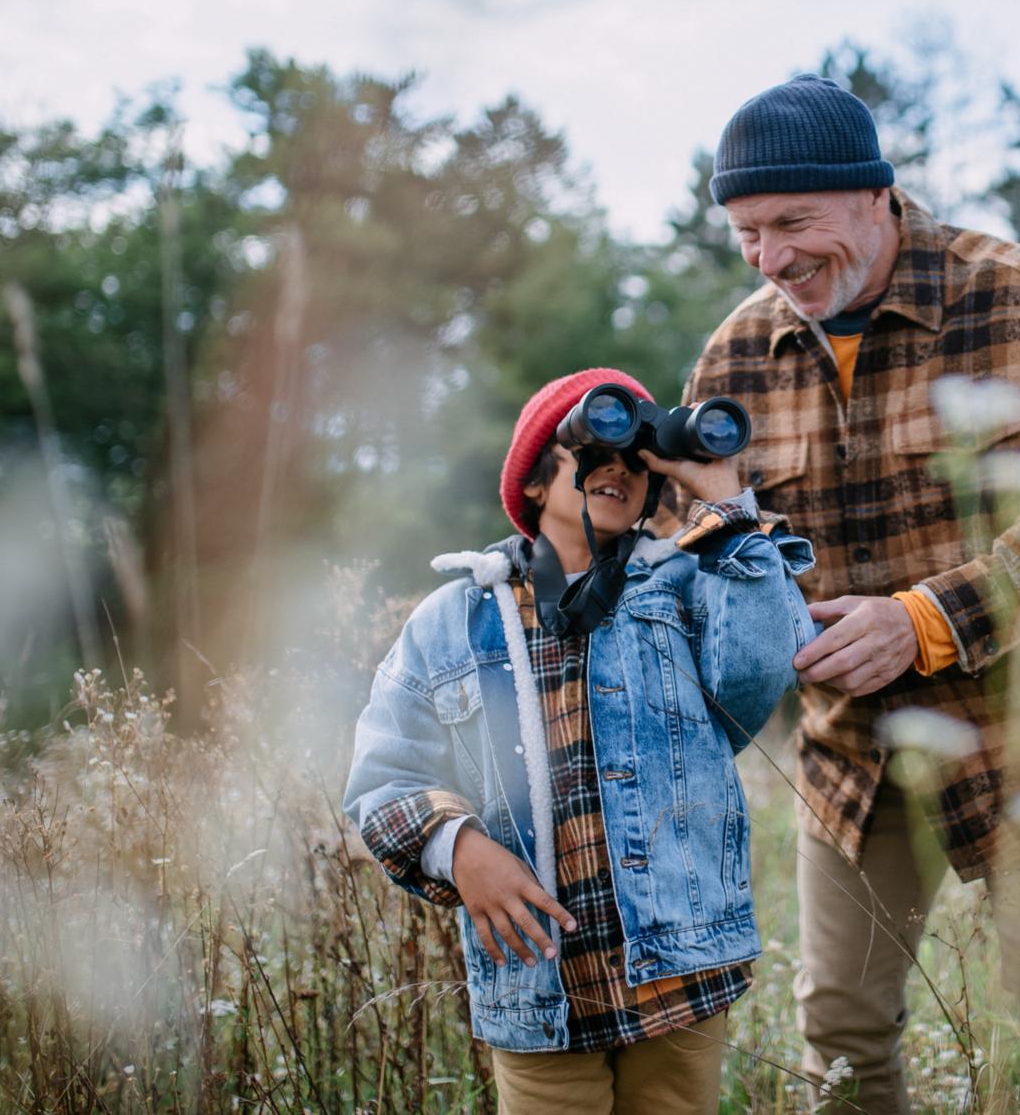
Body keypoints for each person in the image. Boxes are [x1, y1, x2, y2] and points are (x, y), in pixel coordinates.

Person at [686, 75, 1020, 1113]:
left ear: (877, 193)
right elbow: (705, 560)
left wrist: (927, 621)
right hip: (854, 758)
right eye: (745, 234)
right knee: (840, 1042)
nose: (771, 259)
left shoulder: (1016, 294)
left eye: (792, 222)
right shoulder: (734, 358)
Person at [343, 368, 815, 1115]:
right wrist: (459, 848)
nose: (616, 468)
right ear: (533, 482)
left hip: (680, 968)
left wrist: (723, 502)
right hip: (537, 984)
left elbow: (765, 666)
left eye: (635, 456)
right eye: (592, 448)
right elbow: (381, 778)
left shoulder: (688, 587)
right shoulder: (452, 620)